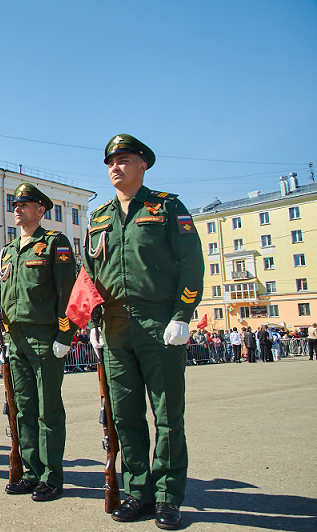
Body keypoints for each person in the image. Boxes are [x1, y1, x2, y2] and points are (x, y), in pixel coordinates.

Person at [83, 134, 204, 529]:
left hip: (159, 321)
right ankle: (139, 492)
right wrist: (93, 321)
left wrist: (183, 313)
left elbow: (190, 262)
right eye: (110, 162)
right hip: (116, 326)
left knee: (168, 414)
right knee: (125, 414)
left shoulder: (167, 207)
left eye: (124, 160)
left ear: (143, 165)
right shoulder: (98, 217)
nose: (115, 167)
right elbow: (90, 274)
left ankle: (168, 496)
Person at [0, 182, 78, 502]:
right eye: (15, 204)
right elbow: (6, 295)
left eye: (25, 204)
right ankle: (31, 472)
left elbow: (68, 293)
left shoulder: (55, 243)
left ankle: (52, 476)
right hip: (16, 339)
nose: (17, 209)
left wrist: (64, 334)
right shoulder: (8, 250)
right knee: (24, 410)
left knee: (48, 410)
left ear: (41, 210)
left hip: (46, 337)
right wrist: (6, 333)